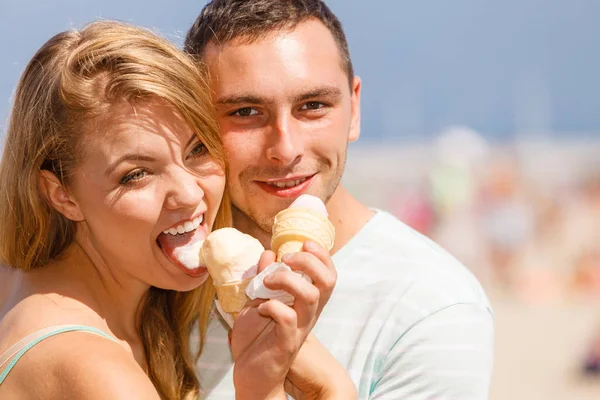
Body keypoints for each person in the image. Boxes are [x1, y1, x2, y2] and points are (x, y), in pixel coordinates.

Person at [0, 20, 356, 399]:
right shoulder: (96, 374)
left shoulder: (25, 284)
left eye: (198, 149)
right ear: (61, 194)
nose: (188, 193)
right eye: (136, 175)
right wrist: (297, 386)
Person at [184, 0, 495, 398]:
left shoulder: (433, 305)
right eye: (246, 112)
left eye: (313, 106)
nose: (285, 148)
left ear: (355, 108)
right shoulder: (163, 275)